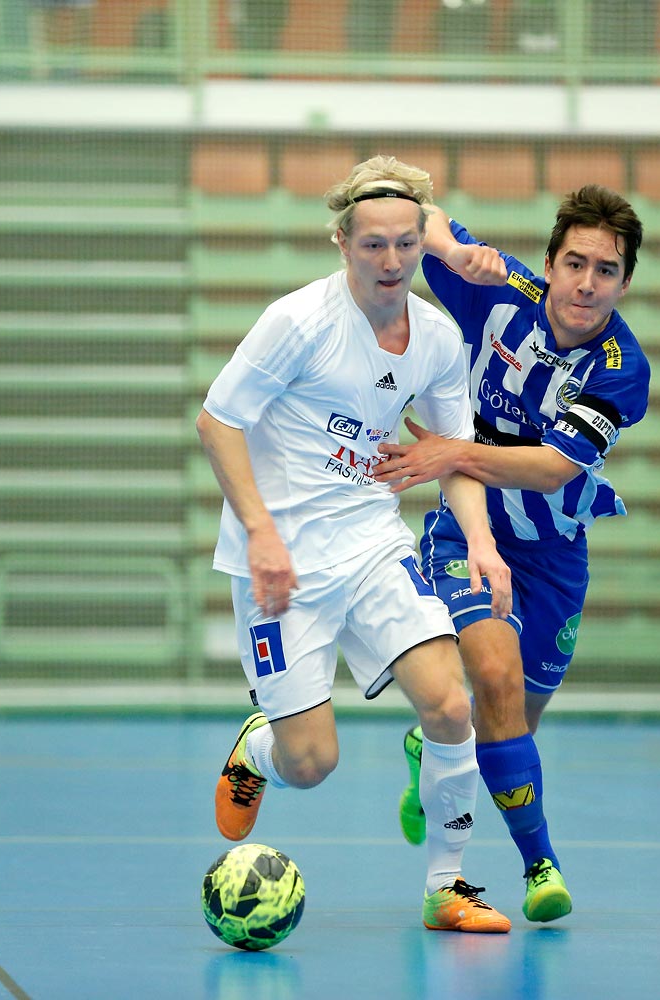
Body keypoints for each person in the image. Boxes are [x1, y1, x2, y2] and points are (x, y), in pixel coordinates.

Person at [198, 156, 514, 934]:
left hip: (373, 539)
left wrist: (481, 539)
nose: (392, 261)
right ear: (342, 241)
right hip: (282, 563)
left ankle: (450, 886)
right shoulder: (299, 322)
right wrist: (261, 533)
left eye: (407, 243)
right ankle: (260, 748)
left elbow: (452, 452)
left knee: (448, 704)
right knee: (312, 766)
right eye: (373, 244)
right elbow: (218, 422)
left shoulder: (437, 339)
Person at [374, 185, 651, 923]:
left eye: (606, 271)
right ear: (552, 263)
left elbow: (556, 467)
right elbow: (413, 211)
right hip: (469, 534)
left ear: (625, 283)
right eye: (574, 263)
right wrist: (449, 246)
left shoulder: (622, 368)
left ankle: (430, 743)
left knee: (515, 723)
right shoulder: (499, 289)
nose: (586, 283)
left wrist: (448, 450)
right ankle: (540, 868)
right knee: (491, 682)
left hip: (556, 554)